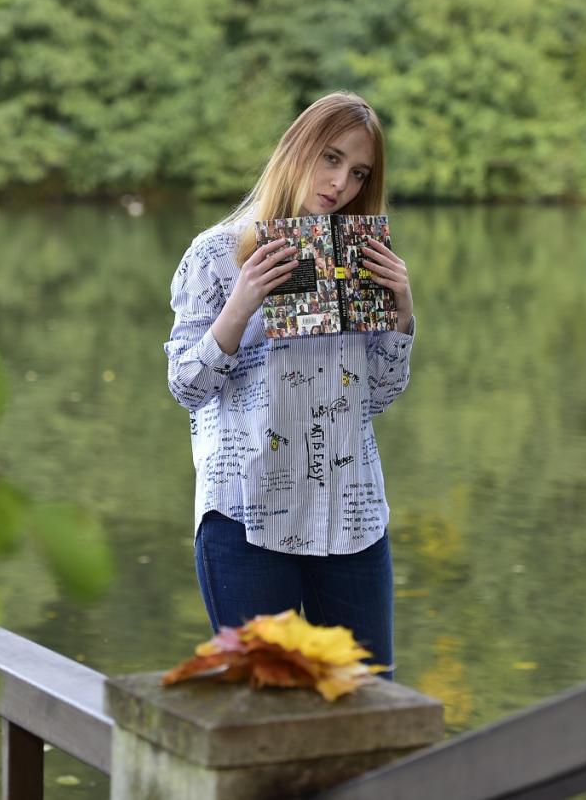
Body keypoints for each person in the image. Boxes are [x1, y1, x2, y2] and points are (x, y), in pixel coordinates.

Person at [165, 92, 414, 677]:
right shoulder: (217, 254)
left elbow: (376, 398)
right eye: (331, 158)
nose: (341, 184)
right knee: (267, 709)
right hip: (246, 521)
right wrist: (241, 305)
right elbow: (186, 387)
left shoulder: (360, 258)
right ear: (296, 150)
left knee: (368, 708)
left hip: (351, 522)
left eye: (359, 173)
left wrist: (402, 313)